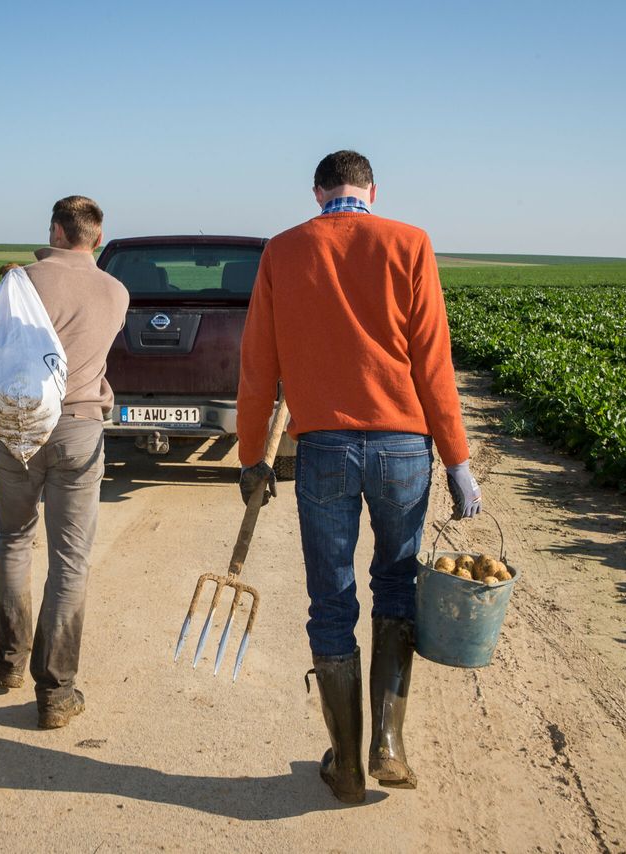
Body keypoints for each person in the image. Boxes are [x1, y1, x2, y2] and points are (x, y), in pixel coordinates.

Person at [236, 151, 482, 802]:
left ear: (317, 192)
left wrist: (249, 457)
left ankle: (345, 764)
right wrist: (457, 461)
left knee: (331, 599)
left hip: (323, 446)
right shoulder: (410, 243)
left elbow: (259, 364)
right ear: (373, 190)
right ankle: (389, 745)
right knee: (397, 584)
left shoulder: (284, 252)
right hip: (404, 447)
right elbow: (433, 360)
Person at [0, 196, 129, 729]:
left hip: (18, 428)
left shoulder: (20, 283)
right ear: (97, 235)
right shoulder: (116, 291)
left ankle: (7, 664)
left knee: (14, 539)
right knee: (70, 561)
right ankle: (57, 692)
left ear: (54, 229)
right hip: (79, 430)